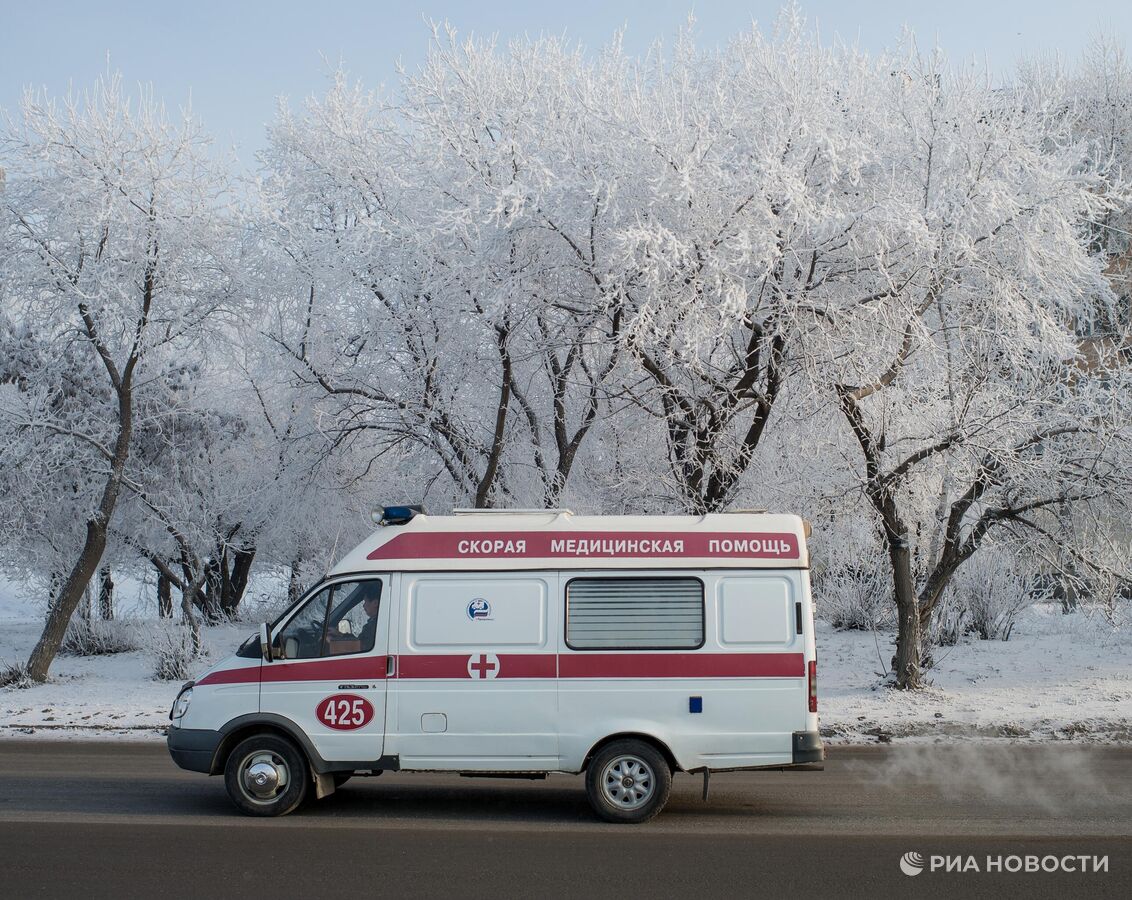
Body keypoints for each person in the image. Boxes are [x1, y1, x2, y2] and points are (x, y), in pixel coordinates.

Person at [358, 585, 381, 652]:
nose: (363, 605)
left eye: (365, 601)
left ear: (375, 603)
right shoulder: (374, 623)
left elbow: (361, 646)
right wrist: (341, 635)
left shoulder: (376, 626)